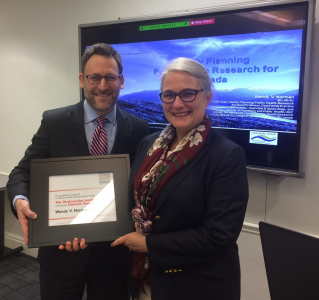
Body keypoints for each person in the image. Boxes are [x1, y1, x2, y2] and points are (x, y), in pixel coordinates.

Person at [6, 43, 149, 300]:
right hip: (60, 254)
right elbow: (21, 172)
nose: (102, 86)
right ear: (82, 80)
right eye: (94, 77)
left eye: (110, 77)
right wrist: (20, 200)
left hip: (114, 256)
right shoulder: (54, 122)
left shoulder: (139, 128)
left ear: (122, 81)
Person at [111, 58, 249, 300]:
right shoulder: (149, 144)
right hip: (147, 276)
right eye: (169, 95)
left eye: (188, 94)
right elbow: (134, 203)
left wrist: (148, 245)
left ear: (207, 97)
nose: (177, 104)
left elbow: (218, 237)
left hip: (195, 286)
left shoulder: (227, 155)